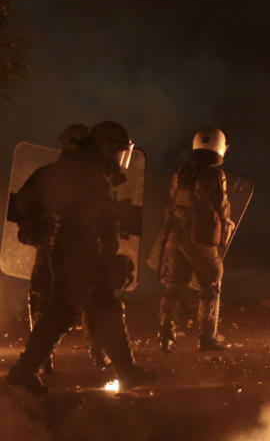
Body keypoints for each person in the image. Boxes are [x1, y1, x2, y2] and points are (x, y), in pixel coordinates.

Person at [4, 122, 157, 395]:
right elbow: (93, 223)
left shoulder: (61, 172)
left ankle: (126, 371)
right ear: (107, 148)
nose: (120, 159)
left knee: (101, 308)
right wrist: (104, 257)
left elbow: (23, 204)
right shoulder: (90, 176)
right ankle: (22, 374)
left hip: (74, 254)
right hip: (79, 255)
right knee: (65, 313)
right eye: (118, 151)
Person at [157, 127, 236, 353]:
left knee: (173, 287)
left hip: (175, 234)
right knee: (211, 283)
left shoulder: (181, 172)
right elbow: (222, 208)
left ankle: (165, 334)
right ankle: (206, 337)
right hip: (199, 236)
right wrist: (226, 224)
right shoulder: (214, 175)